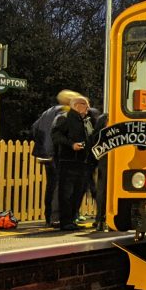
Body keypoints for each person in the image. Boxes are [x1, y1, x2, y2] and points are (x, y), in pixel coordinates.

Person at [31, 89, 80, 226]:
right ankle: (57, 217)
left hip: (46, 153)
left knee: (51, 185)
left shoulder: (48, 111)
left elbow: (34, 127)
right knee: (61, 185)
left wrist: (43, 144)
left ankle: (49, 217)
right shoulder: (66, 113)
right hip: (58, 153)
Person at [51, 96, 97, 231]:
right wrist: (71, 145)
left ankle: (72, 219)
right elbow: (56, 135)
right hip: (68, 161)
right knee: (66, 193)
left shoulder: (87, 120)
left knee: (78, 192)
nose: (88, 108)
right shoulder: (64, 118)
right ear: (77, 105)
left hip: (83, 162)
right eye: (85, 105)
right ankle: (65, 221)